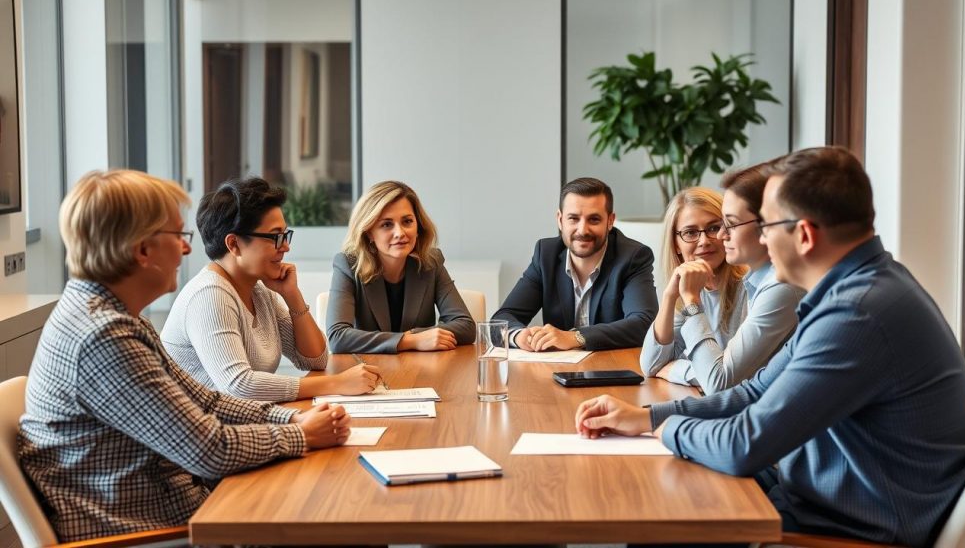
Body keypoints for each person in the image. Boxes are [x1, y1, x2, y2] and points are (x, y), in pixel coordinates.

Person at [574, 147, 965, 547]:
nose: (759, 239)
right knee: (662, 496)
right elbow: (755, 390)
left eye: (766, 225)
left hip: (853, 521)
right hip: (822, 486)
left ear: (802, 235)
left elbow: (744, 446)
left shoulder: (857, 314)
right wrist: (644, 417)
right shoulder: (853, 290)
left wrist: (662, 429)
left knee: (659, 516)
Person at [18, 170, 349, 543]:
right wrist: (298, 435)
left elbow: (204, 398)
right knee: (333, 516)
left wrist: (294, 418)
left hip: (174, 507)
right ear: (143, 250)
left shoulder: (117, 318)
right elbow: (209, 450)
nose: (189, 249)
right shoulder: (104, 337)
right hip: (145, 532)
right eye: (178, 236)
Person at [162, 178, 381, 402]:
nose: (286, 246)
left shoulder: (258, 290)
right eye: (276, 237)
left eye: (285, 235)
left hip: (242, 423)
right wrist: (337, 383)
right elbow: (239, 386)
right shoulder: (209, 295)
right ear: (234, 244)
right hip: (206, 432)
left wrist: (292, 295)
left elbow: (315, 359)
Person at [640, 172, 805, 394]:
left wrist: (680, 370)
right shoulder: (693, 285)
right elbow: (652, 365)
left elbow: (718, 382)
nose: (707, 240)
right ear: (676, 244)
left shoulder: (768, 286)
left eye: (714, 227)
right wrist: (671, 297)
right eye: (690, 232)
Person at [492, 177, 658, 351]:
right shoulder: (546, 255)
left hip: (613, 368)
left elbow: (643, 323)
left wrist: (575, 337)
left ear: (610, 221)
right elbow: (501, 320)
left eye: (594, 219)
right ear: (560, 219)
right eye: (573, 218)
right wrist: (518, 336)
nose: (582, 230)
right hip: (558, 371)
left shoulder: (633, 257)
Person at [326, 180, 475, 353]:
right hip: (368, 372)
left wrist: (419, 336)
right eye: (386, 224)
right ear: (369, 233)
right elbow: (338, 337)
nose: (400, 233)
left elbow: (466, 326)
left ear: (418, 226)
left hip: (422, 372)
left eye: (407, 221)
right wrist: (410, 340)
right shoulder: (348, 265)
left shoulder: (430, 263)